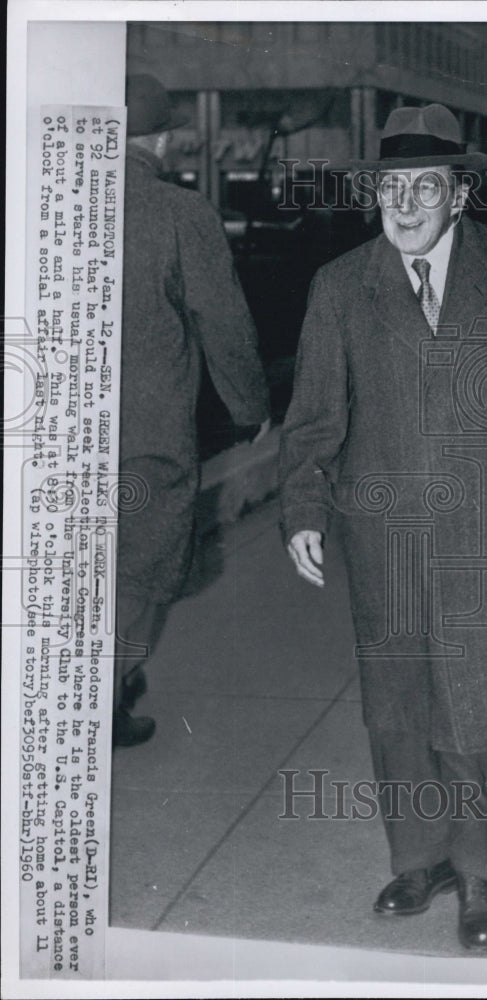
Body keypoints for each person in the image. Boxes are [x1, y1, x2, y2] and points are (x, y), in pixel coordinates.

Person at [279, 104, 487, 951]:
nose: (406, 202)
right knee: (397, 710)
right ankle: (420, 856)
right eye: (391, 185)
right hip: (382, 539)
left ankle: (482, 871)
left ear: (459, 195)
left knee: (477, 708)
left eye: (426, 185)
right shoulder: (342, 284)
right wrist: (303, 509)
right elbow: (313, 419)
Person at [115, 75, 270, 747]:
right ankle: (107, 693)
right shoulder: (180, 214)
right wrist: (251, 406)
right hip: (145, 438)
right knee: (143, 574)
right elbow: (222, 322)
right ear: (163, 137)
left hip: (48, 438)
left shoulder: (36, 198)